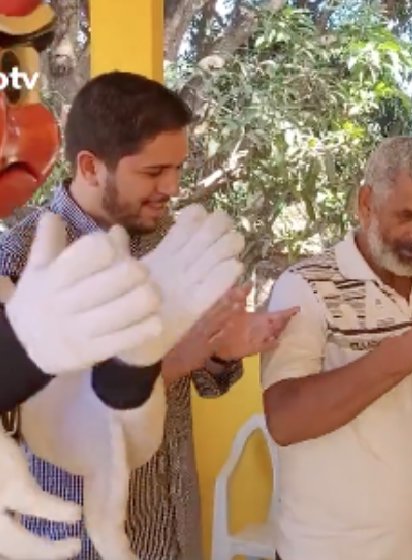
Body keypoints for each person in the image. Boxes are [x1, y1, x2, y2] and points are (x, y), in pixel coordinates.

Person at [0, 71, 297, 560]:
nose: (173, 187)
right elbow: (28, 417)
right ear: (91, 167)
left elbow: (205, 383)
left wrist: (221, 354)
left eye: (178, 168)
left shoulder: (173, 244)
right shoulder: (24, 261)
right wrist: (165, 360)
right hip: (76, 542)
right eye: (154, 172)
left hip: (170, 527)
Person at [260, 136, 412, 560]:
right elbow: (285, 421)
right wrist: (402, 354)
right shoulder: (305, 286)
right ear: (366, 203)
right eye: (408, 216)